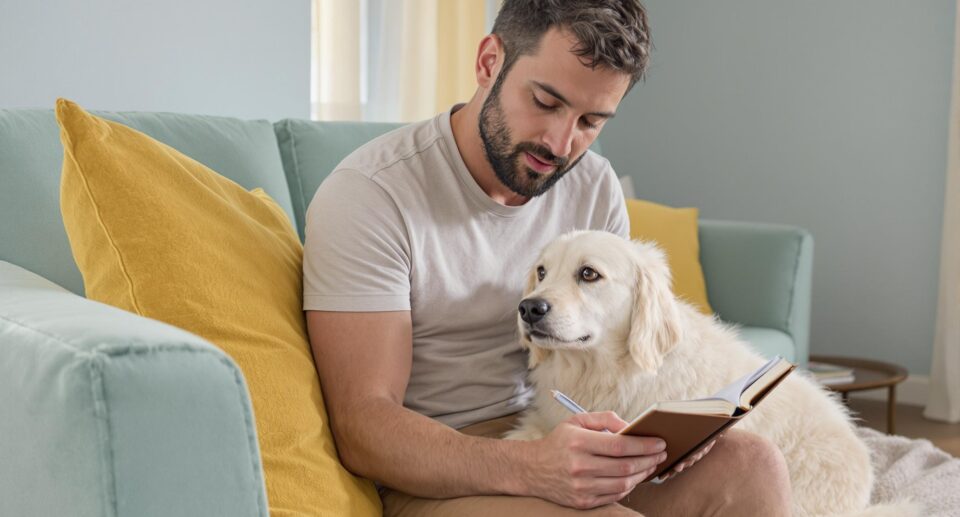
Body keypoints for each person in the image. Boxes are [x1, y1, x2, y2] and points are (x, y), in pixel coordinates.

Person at [303, 1, 793, 514]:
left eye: (591, 121)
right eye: (545, 101)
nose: (561, 144)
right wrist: (533, 466)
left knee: (753, 464)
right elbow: (363, 426)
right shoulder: (371, 195)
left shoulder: (592, 184)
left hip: (555, 430)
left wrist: (657, 436)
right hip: (438, 472)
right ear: (489, 62)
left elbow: (610, 352)